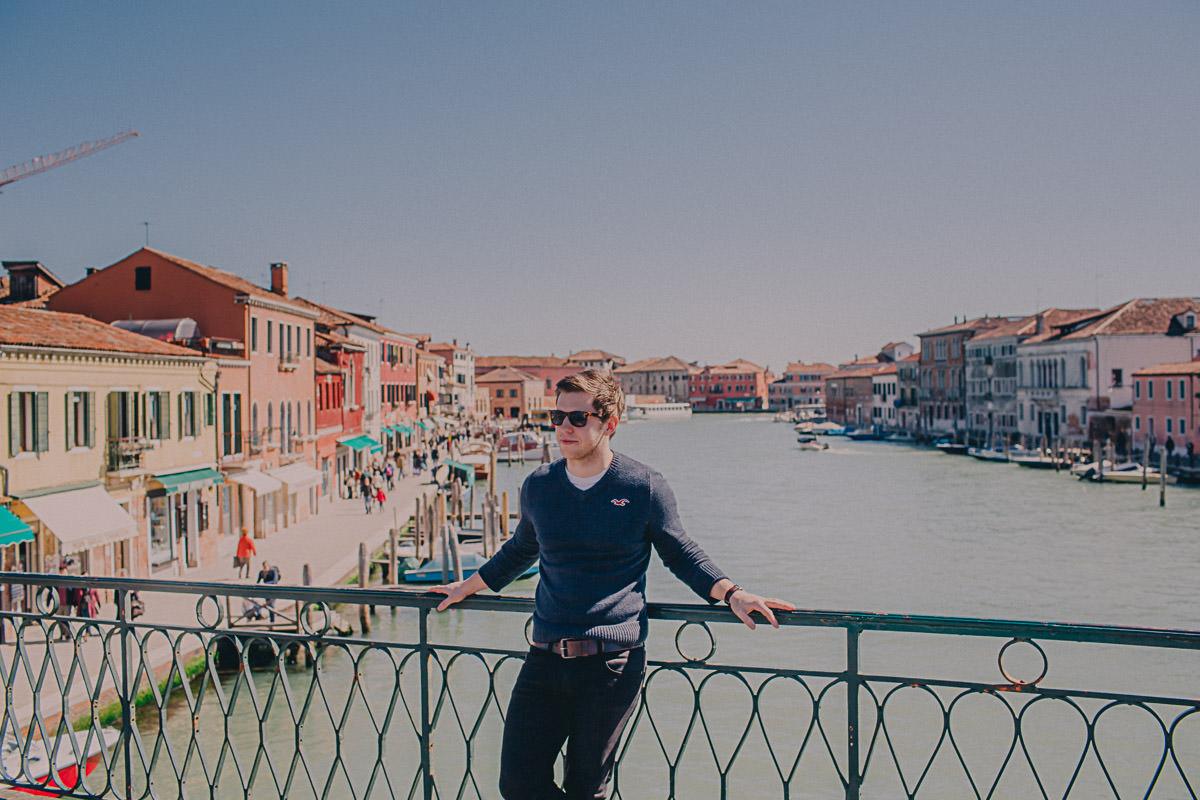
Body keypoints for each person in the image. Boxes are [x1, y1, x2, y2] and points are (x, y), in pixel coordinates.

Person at [431, 369, 794, 800]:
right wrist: (466, 586)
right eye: (558, 416)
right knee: (517, 782)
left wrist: (732, 592)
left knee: (586, 788)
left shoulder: (642, 487)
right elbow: (520, 549)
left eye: (578, 418)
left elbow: (679, 552)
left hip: (611, 668)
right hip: (544, 659)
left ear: (610, 424)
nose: (565, 427)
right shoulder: (540, 486)